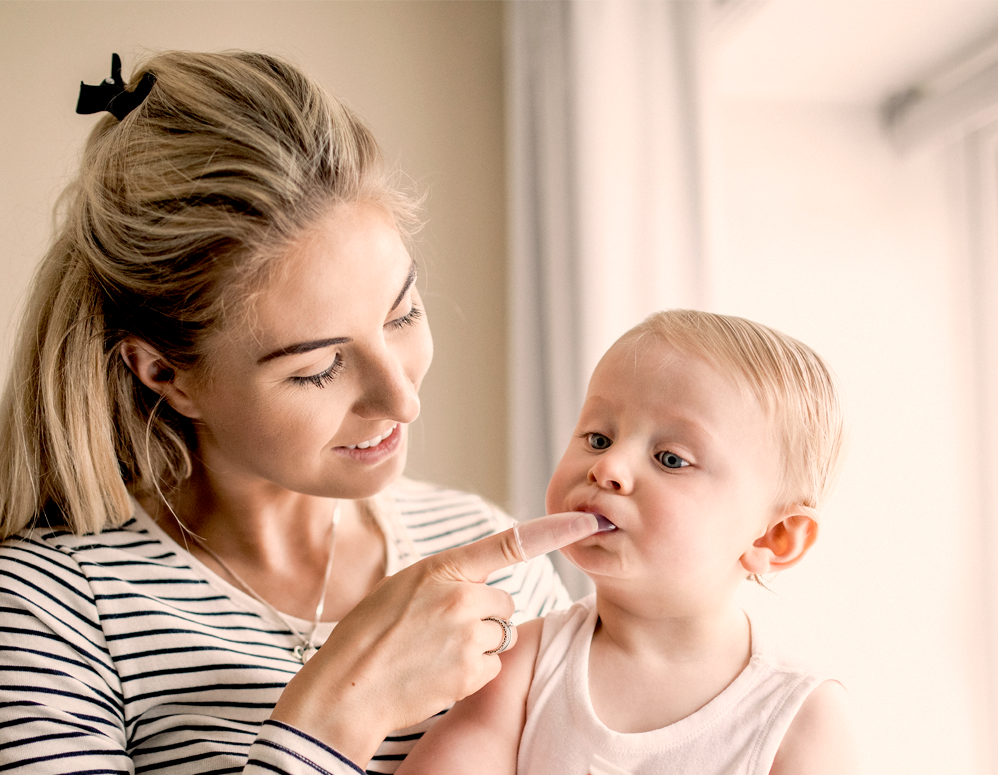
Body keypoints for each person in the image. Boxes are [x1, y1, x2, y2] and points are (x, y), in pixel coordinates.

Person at [0, 51, 602, 775]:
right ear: (165, 371)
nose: (402, 399)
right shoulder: (50, 608)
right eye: (318, 368)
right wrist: (346, 708)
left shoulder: (488, 551)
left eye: (403, 314)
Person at [397, 309, 858, 775]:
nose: (608, 468)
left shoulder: (799, 717)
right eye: (598, 438)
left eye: (670, 460)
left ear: (774, 537)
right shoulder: (520, 665)